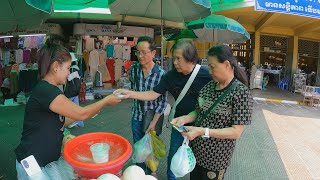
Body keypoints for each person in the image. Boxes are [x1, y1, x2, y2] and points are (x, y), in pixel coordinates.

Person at [15, 41, 122, 179]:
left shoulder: (48, 90)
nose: (68, 73)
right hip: (33, 161)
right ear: (55, 67)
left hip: (46, 160)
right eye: (67, 68)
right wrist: (106, 101)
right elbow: (81, 113)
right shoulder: (46, 90)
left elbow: (60, 120)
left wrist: (92, 111)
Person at [114, 40, 212, 180]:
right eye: (174, 58)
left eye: (178, 58)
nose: (175, 62)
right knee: (173, 155)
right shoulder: (170, 76)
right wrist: (130, 93)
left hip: (201, 124)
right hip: (180, 124)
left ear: (190, 58)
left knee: (199, 159)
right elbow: (153, 94)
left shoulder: (206, 75)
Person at [171, 45, 253, 180]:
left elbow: (236, 132)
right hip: (196, 154)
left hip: (216, 159)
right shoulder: (209, 86)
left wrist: (202, 131)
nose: (209, 71)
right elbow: (199, 111)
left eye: (212, 66)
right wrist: (184, 118)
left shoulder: (241, 93)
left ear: (226, 64)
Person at [128, 36, 167, 174]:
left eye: (144, 52)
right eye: (138, 52)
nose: (140, 56)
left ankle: (152, 173)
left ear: (153, 53)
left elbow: (163, 102)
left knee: (150, 148)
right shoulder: (134, 69)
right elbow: (133, 88)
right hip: (136, 115)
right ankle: (139, 173)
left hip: (152, 119)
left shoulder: (161, 74)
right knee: (139, 148)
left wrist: (154, 122)